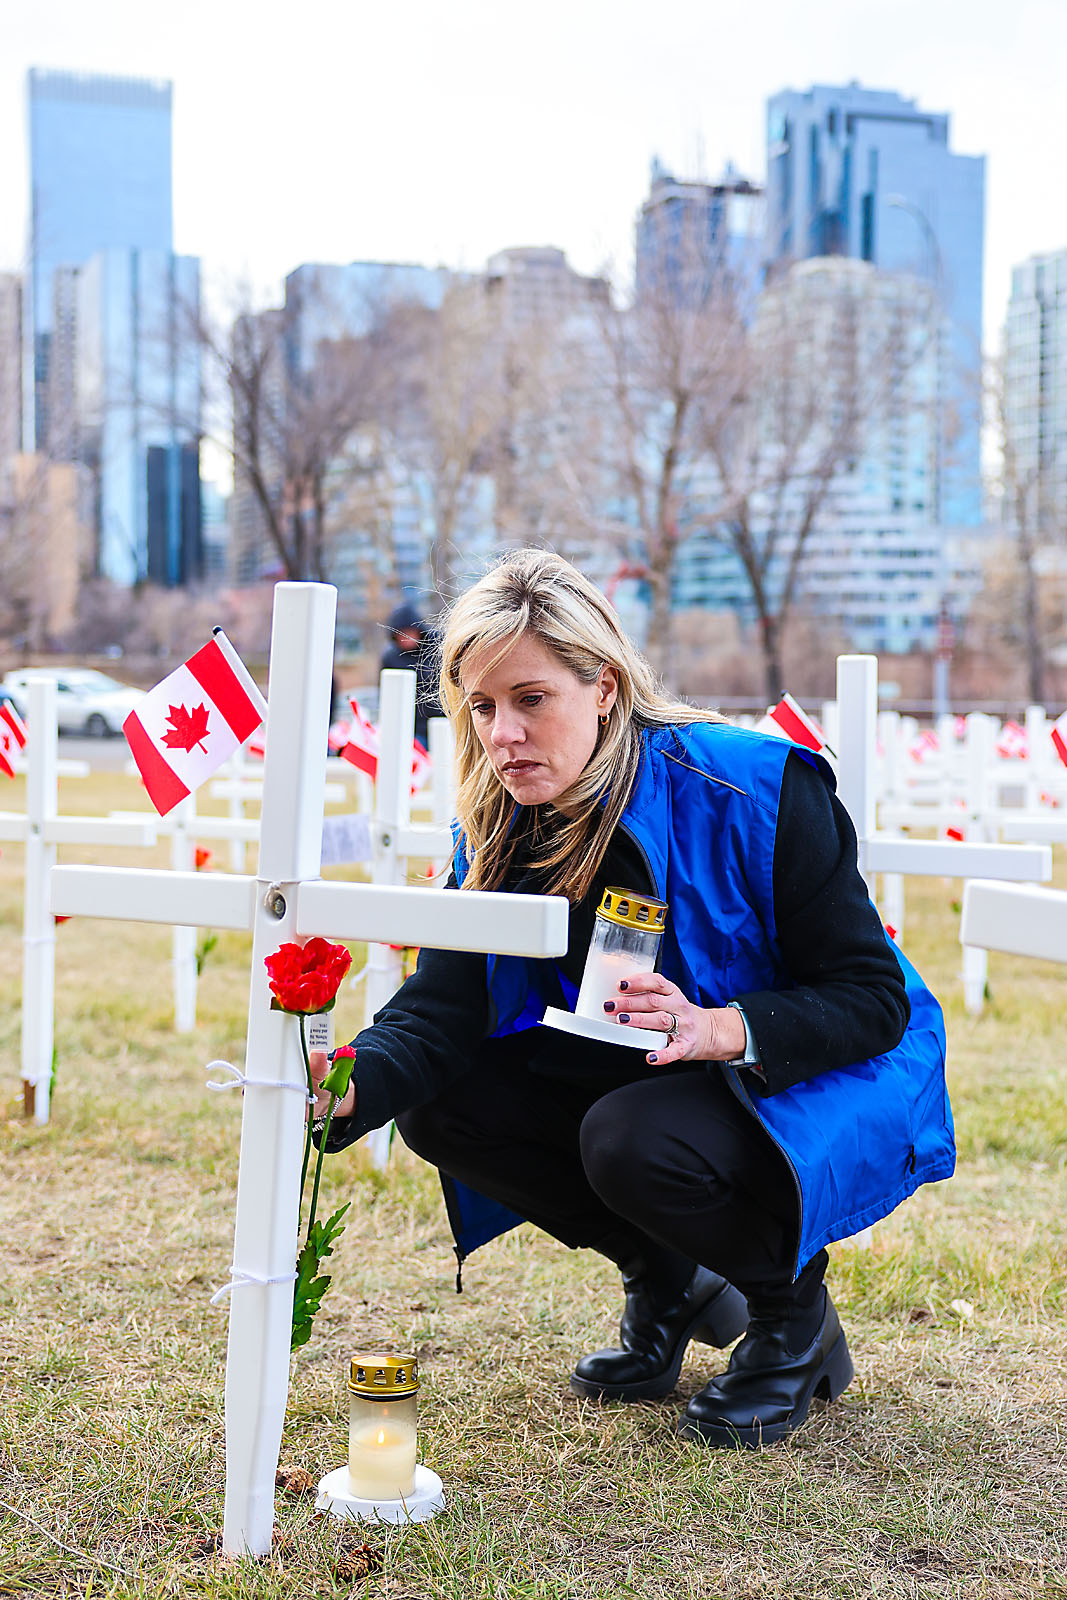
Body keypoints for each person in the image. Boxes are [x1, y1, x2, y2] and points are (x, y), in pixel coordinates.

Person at [313, 550, 952, 1448]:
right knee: (441, 1104)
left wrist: (720, 1027)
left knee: (630, 1138)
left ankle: (791, 1320)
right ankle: (668, 1281)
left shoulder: (756, 789)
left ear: (603, 686)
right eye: (483, 707)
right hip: (634, 1066)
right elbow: (440, 1011)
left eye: (531, 699)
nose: (502, 735)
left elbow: (870, 1000)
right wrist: (347, 1081)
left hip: (799, 1067)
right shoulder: (494, 827)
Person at [381, 598, 441, 745]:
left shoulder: (438, 645)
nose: (406, 638)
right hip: (411, 726)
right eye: (401, 634)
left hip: (441, 720)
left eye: (410, 632)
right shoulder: (391, 656)